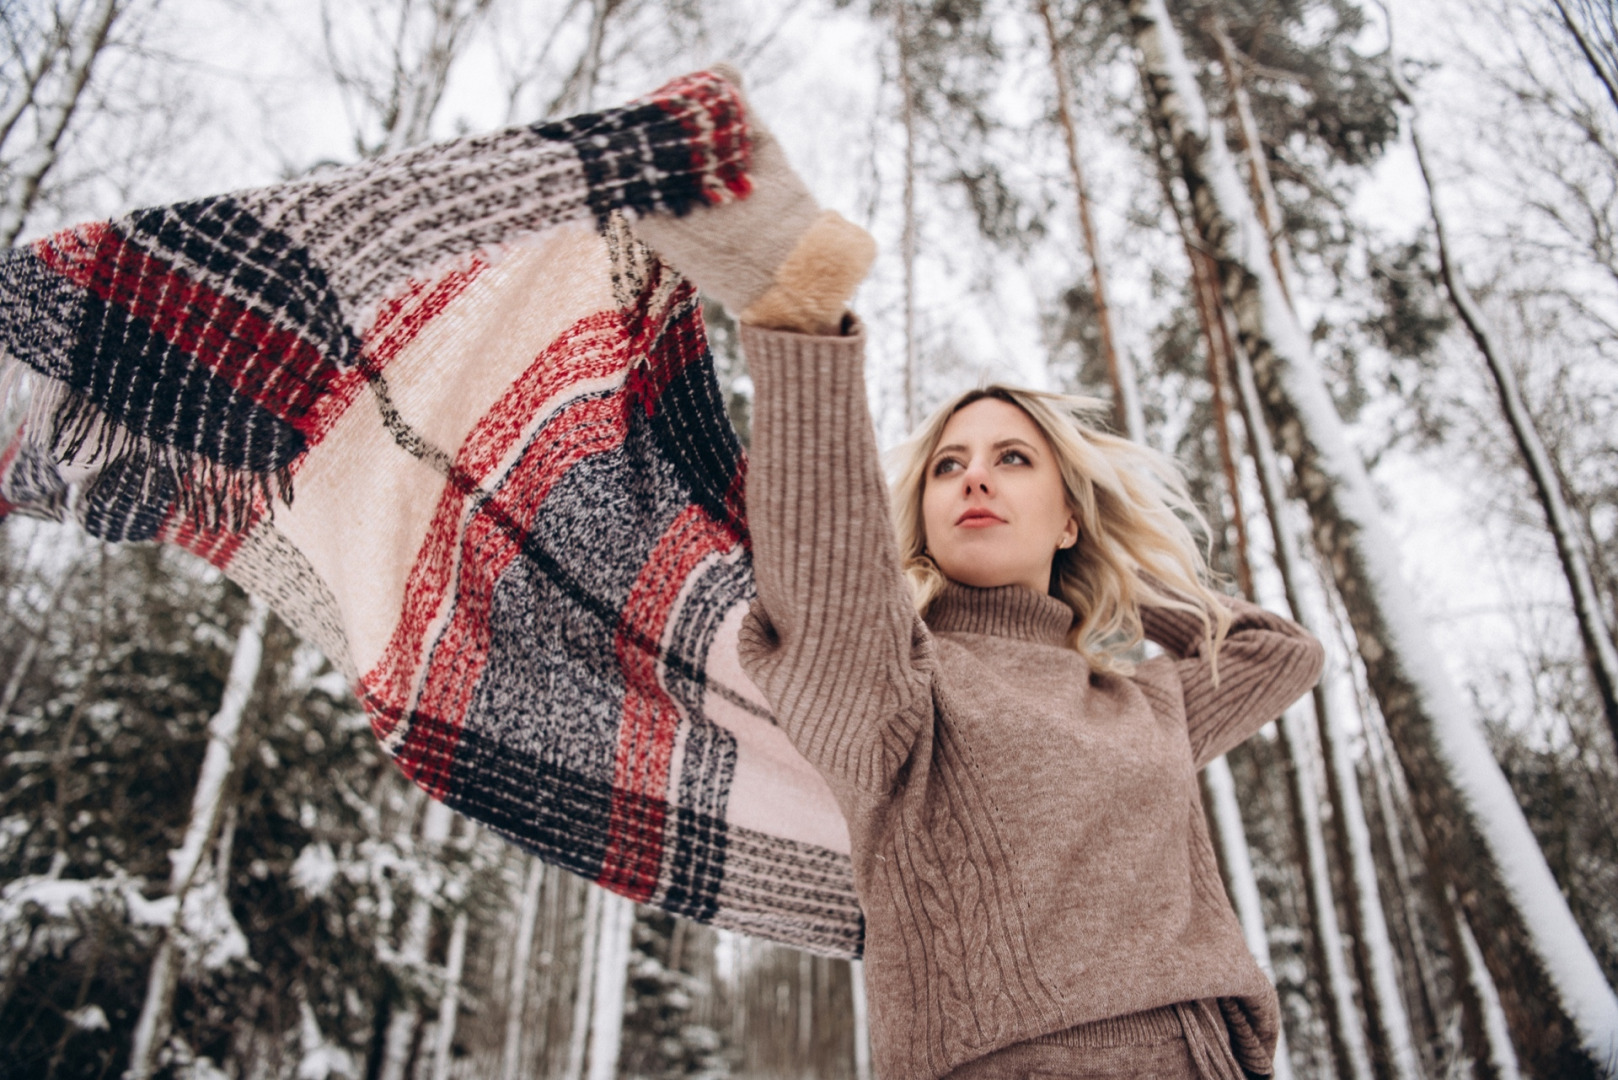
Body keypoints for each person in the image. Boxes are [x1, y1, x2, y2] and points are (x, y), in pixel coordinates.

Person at [637, 67, 1324, 1080]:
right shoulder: (908, 686)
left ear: (1064, 512)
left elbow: (1280, 653)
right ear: (916, 516)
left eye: (1013, 460)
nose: (974, 480)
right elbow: (830, 605)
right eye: (949, 466)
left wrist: (1111, 569)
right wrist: (799, 325)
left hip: (1212, 1057)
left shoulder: (1139, 699)